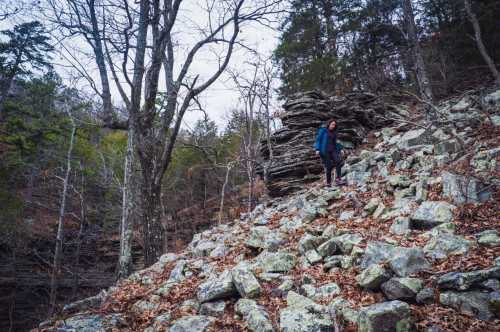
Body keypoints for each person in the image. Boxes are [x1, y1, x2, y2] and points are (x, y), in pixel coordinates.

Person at [314, 119, 347, 187]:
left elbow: (336, 142)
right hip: (325, 151)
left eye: (334, 125)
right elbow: (318, 140)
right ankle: (328, 182)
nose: (333, 126)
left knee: (338, 161)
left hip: (333, 150)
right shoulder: (323, 130)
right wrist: (317, 149)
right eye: (332, 124)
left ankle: (338, 179)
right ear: (329, 124)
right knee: (328, 166)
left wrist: (341, 149)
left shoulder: (334, 133)